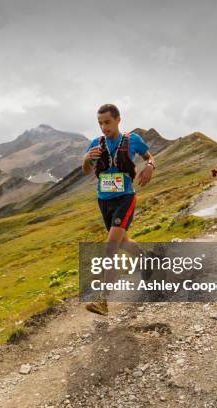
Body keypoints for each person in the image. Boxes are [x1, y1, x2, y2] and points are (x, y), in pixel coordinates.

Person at [81, 104, 156, 315]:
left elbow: (149, 157)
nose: (103, 127)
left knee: (111, 246)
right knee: (122, 242)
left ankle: (103, 301)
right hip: (104, 200)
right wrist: (86, 159)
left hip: (125, 198)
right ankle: (146, 260)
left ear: (118, 120)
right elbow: (87, 171)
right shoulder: (96, 144)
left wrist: (150, 166)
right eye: (100, 123)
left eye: (107, 122)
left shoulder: (133, 141)